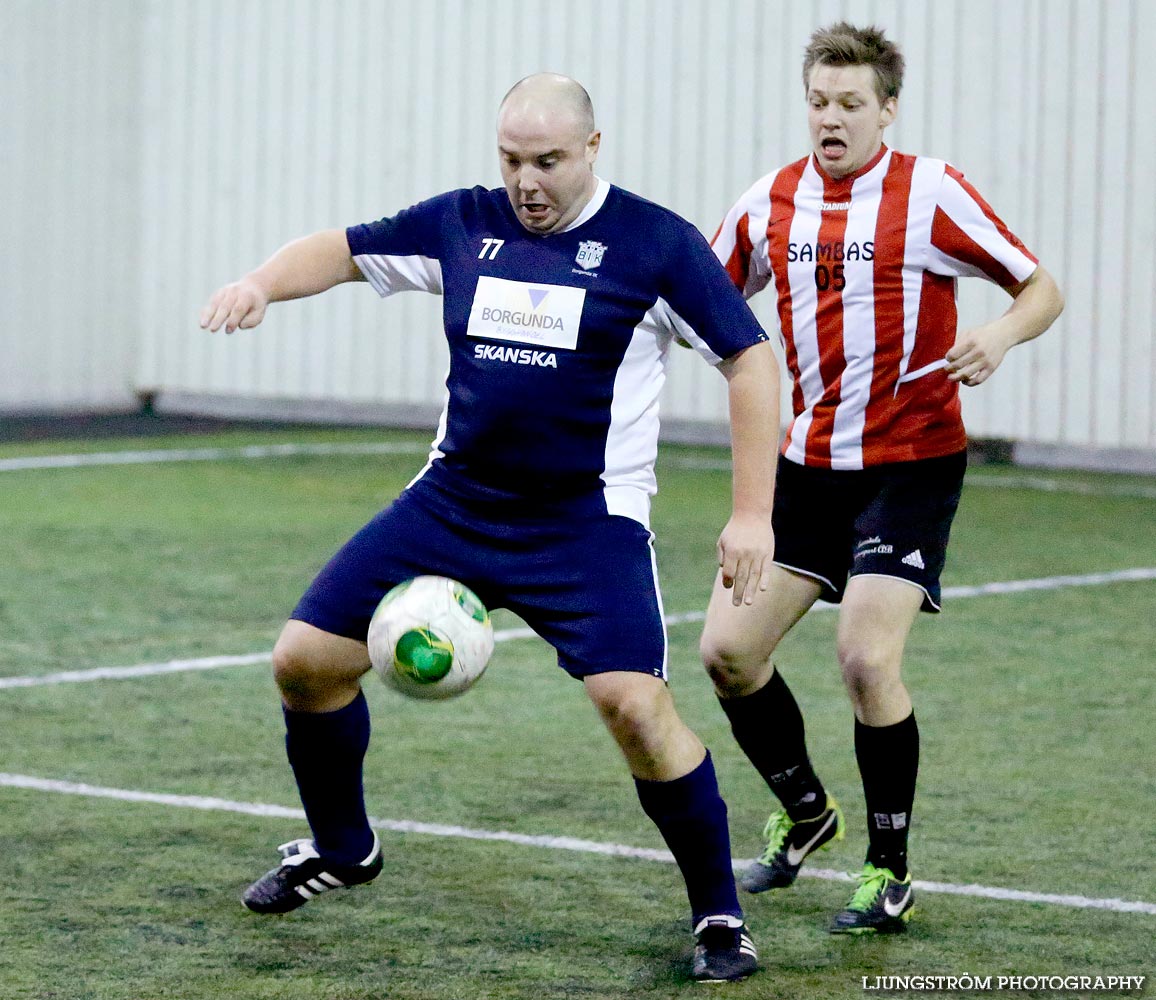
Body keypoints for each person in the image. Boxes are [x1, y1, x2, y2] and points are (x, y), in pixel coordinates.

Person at [199, 73, 781, 983]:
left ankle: (718, 915)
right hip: (454, 502)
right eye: (512, 159)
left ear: (593, 148)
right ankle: (343, 849)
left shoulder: (654, 244)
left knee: (634, 706)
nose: (527, 181)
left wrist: (753, 514)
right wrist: (261, 284)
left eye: (548, 160)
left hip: (585, 525)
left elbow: (749, 358)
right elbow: (345, 250)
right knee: (302, 662)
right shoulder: (463, 222)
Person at [701, 23, 1064, 935]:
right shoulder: (768, 203)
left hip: (910, 467)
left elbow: (1040, 288)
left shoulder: (932, 192)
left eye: (849, 104)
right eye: (818, 101)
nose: (830, 118)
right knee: (727, 654)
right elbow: (698, 296)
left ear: (887, 110)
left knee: (865, 659)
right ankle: (808, 812)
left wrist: (999, 335)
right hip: (806, 467)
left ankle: (889, 867)